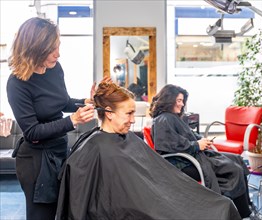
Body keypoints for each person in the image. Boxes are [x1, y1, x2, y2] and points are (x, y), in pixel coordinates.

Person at [56, 81, 241, 220]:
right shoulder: (93, 149)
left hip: (155, 198)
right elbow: (83, 204)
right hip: (139, 208)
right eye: (128, 114)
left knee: (222, 206)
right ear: (109, 113)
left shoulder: (126, 139)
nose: (133, 120)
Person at [6, 17, 96, 220]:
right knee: (42, 216)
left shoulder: (55, 68)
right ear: (34, 48)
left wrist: (86, 101)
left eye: (58, 46)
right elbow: (32, 132)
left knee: (62, 211)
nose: (58, 54)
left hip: (59, 150)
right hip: (36, 161)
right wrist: (72, 121)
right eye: (51, 49)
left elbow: (62, 102)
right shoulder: (17, 84)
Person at [150, 84, 262, 220]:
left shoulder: (173, 117)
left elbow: (188, 136)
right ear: (169, 100)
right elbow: (168, 145)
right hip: (182, 163)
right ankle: (246, 215)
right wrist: (196, 145)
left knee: (237, 159)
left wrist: (202, 140)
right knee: (234, 169)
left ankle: (248, 206)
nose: (182, 104)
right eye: (179, 100)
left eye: (182, 100)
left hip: (192, 156)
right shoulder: (163, 120)